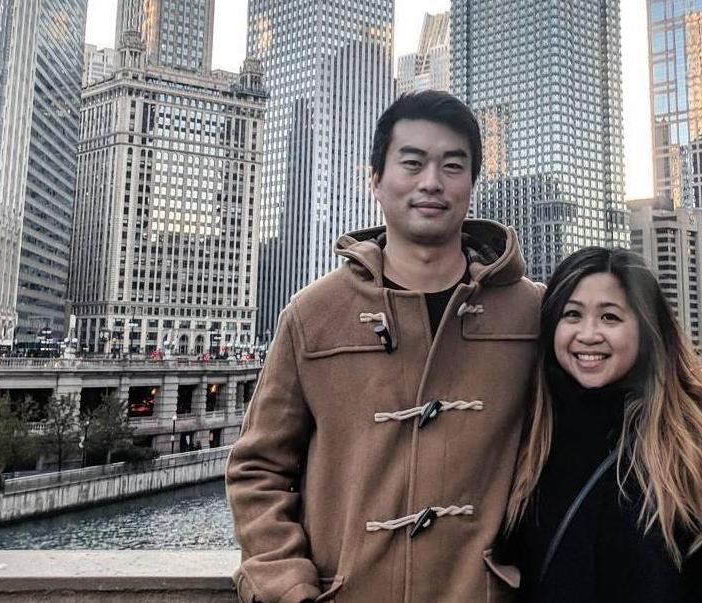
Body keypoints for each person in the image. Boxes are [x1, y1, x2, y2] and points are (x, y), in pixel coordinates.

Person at [227, 91, 540, 603]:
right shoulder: (313, 314)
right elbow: (258, 467)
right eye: (412, 163)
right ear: (375, 179)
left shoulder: (532, 312)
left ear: (471, 183)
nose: (432, 182)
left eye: (452, 166)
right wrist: (285, 584)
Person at [506, 246, 702, 602]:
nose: (588, 334)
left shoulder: (689, 449)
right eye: (572, 315)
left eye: (610, 317)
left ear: (646, 329)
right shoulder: (527, 437)